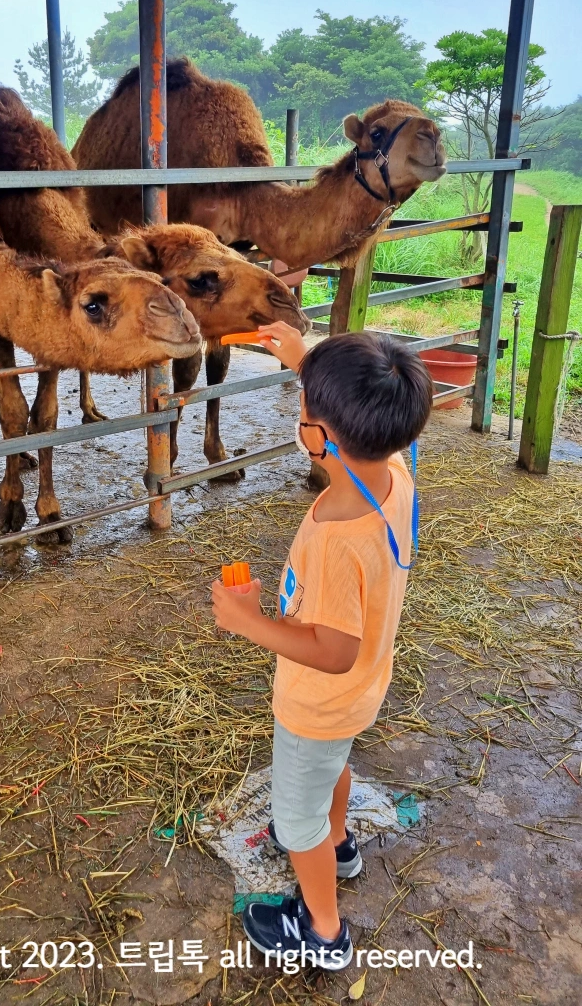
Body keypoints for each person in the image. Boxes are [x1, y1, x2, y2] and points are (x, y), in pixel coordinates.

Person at [211, 322, 432, 971]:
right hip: (358, 695)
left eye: (303, 406)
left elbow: (334, 650)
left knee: (295, 818)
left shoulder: (338, 540)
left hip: (318, 701)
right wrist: (305, 360)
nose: (299, 415)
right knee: (333, 767)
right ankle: (337, 842)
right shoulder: (394, 469)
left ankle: (324, 931)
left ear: (320, 438)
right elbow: (357, 417)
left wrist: (247, 621)